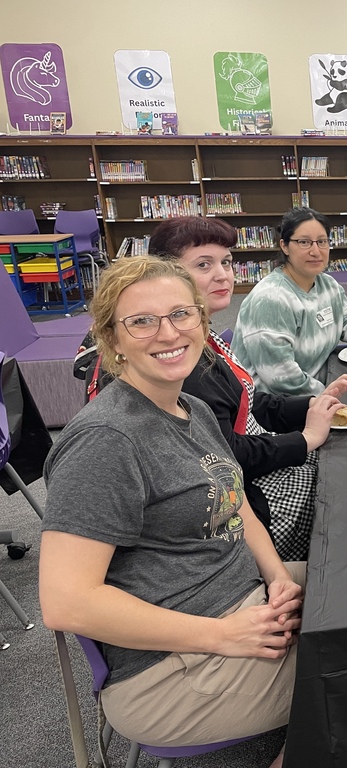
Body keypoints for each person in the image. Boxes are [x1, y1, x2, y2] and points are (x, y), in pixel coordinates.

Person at [40, 257, 305, 768]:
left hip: (242, 602)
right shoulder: (106, 441)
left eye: (182, 314)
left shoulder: (193, 407)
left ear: (203, 324)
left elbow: (234, 502)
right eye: (141, 321)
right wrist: (225, 635)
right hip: (168, 669)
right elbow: (65, 603)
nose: (168, 332)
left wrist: (278, 576)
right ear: (111, 340)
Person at [72, 216, 347, 561]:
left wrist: (314, 403)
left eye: (226, 262)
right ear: (166, 274)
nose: (223, 274)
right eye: (204, 265)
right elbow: (225, 459)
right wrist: (306, 438)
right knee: (342, 492)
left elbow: (246, 400)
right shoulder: (177, 362)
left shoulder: (203, 340)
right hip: (241, 498)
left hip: (239, 486)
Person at [232, 206, 347, 396]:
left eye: (322, 242)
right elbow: (281, 378)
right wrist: (331, 395)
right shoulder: (272, 298)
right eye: (304, 242)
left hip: (315, 387)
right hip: (272, 405)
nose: (316, 251)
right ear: (284, 246)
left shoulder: (328, 285)